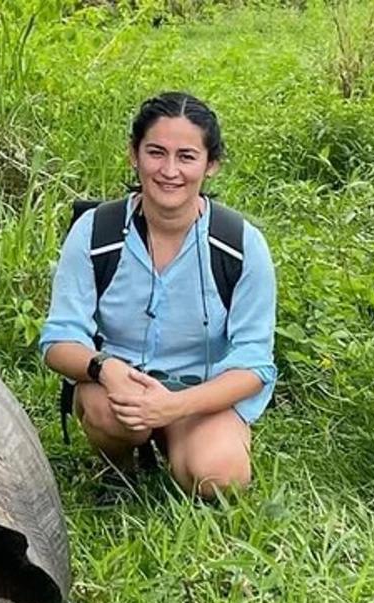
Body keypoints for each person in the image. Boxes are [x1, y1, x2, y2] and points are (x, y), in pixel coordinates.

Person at [41, 92, 276, 499]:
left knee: (220, 477)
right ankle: (119, 469)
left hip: (200, 393)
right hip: (119, 388)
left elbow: (254, 366)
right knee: (104, 410)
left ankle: (179, 441)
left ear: (211, 164)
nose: (169, 171)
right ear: (134, 154)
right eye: (156, 152)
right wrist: (104, 368)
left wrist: (174, 407)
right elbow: (58, 341)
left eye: (186, 156)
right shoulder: (95, 233)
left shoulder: (240, 245)